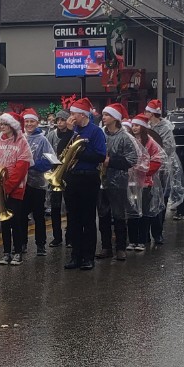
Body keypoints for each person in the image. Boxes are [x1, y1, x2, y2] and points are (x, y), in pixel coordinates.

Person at [63, 97, 107, 271]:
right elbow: (62, 151)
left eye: (73, 113)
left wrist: (78, 153)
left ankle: (88, 257)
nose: (71, 116)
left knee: (88, 218)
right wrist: (67, 133)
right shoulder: (72, 131)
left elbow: (100, 156)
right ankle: (75, 255)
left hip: (88, 177)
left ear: (82, 115)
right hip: (72, 177)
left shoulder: (95, 132)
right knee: (73, 219)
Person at [0, 112, 32, 265]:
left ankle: (18, 252)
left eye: (5, 124)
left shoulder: (22, 142)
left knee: (16, 221)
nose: (2, 127)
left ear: (12, 125)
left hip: (15, 188)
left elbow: (22, 166)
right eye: (1, 124)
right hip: (0, 187)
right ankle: (6, 252)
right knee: (4, 222)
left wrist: (7, 186)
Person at [97, 103, 139, 261]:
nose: (104, 117)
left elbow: (132, 159)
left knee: (119, 215)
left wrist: (111, 162)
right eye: (103, 114)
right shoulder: (100, 133)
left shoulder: (125, 137)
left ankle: (121, 247)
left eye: (107, 115)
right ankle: (106, 247)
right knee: (103, 215)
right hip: (101, 180)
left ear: (115, 118)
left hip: (118, 181)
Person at [145, 98, 184, 240]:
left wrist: (155, 154)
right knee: (147, 199)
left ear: (152, 113)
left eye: (147, 111)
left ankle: (158, 232)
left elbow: (169, 147)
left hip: (162, 168)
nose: (145, 113)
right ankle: (146, 233)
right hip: (147, 166)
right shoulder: (145, 126)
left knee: (161, 199)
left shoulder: (166, 128)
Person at [127, 114, 166, 249]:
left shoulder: (150, 142)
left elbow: (157, 159)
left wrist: (145, 171)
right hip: (130, 183)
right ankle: (132, 240)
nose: (134, 128)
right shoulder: (129, 140)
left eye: (137, 125)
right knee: (132, 211)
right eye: (133, 125)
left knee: (143, 212)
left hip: (145, 183)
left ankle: (142, 240)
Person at [22, 107, 56, 256]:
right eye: (26, 121)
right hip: (21, 184)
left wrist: (33, 165)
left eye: (32, 121)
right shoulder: (20, 138)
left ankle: (40, 245)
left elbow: (51, 160)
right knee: (22, 215)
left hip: (37, 184)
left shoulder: (43, 139)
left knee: (38, 216)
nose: (29, 124)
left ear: (37, 123)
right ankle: (22, 243)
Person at [49, 109, 73, 249]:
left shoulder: (73, 135)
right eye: (58, 120)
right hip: (55, 172)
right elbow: (47, 150)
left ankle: (70, 236)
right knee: (55, 207)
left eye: (62, 120)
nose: (59, 122)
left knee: (70, 207)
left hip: (68, 174)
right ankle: (56, 237)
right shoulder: (51, 135)